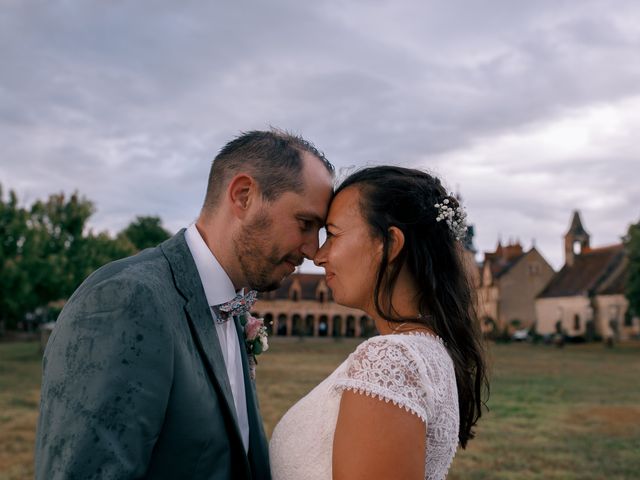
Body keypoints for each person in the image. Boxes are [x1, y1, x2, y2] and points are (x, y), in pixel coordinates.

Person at [35, 130, 335, 480]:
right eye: (305, 223)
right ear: (243, 196)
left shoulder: (232, 308)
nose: (314, 250)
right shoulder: (128, 300)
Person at [269, 166, 488, 480]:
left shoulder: (392, 360)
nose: (318, 256)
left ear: (389, 245)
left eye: (332, 235)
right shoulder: (427, 353)